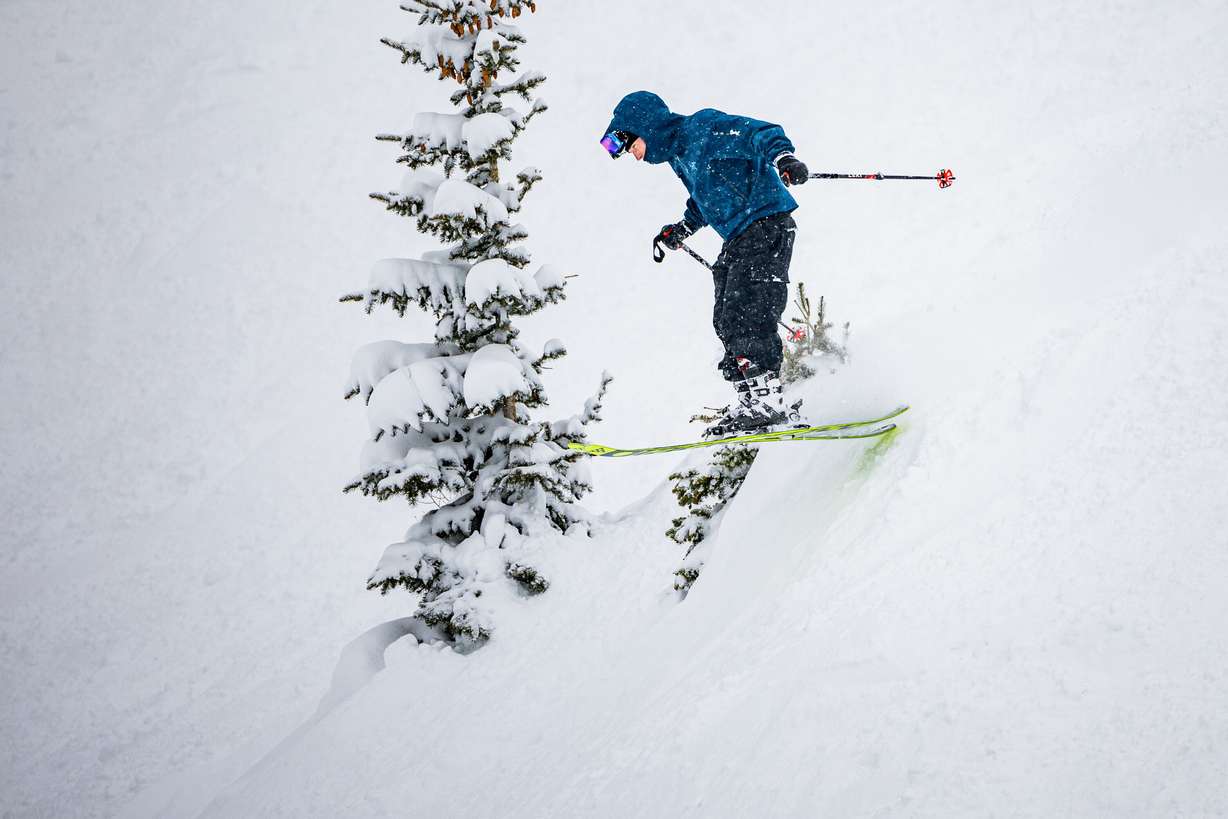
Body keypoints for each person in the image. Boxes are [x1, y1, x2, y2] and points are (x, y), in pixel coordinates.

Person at [600, 91, 811, 436]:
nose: (633, 156)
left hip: (765, 221)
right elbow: (704, 199)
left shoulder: (703, 128)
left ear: (644, 127)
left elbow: (759, 132)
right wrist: (681, 228)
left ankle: (768, 401)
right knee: (725, 317)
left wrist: (784, 158)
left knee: (747, 311)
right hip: (740, 234)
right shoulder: (679, 156)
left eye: (631, 146)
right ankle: (751, 399)